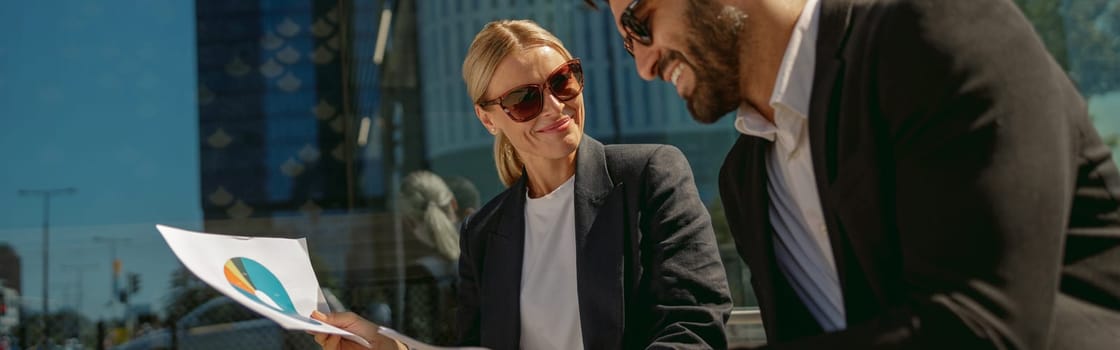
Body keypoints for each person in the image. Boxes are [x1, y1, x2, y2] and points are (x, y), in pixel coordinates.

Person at [588, 0, 1120, 348]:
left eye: (639, 23)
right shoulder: (745, 182)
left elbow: (978, 328)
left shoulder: (937, 27)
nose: (644, 66)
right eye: (628, 47)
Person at [313, 19, 733, 350]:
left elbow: (694, 323)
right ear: (488, 118)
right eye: (523, 100)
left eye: (562, 80)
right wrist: (391, 347)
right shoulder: (483, 233)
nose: (554, 107)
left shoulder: (649, 176)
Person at [396, 170, 461, 344]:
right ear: (453, 204)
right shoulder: (485, 252)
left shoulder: (420, 272)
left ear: (408, 223)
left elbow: (418, 337)